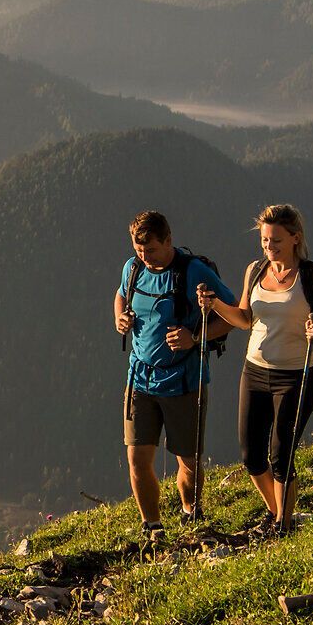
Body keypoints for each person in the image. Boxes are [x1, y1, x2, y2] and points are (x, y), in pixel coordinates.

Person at [197, 203, 313, 535]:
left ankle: (282, 525)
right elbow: (245, 319)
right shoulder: (256, 270)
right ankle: (278, 514)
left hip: (296, 375)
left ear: (294, 239)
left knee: (281, 455)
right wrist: (215, 304)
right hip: (255, 372)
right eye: (264, 241)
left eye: (275, 241)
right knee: (251, 457)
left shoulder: (312, 274)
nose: (269, 247)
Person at [113, 210, 235, 538]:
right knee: (137, 458)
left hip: (184, 380)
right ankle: (152, 526)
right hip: (140, 378)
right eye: (139, 250)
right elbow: (122, 294)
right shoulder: (133, 268)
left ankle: (190, 514)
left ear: (168, 240)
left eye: (151, 250)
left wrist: (194, 338)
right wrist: (119, 318)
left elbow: (236, 315)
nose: (144, 257)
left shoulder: (193, 271)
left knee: (189, 462)